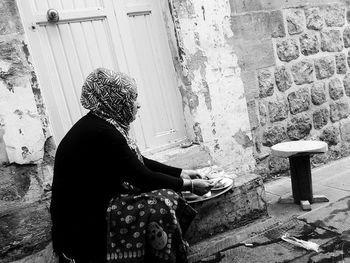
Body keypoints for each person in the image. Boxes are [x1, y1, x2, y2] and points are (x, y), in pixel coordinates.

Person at [50, 68, 214, 263]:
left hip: (97, 201)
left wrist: (182, 172)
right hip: (83, 219)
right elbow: (142, 177)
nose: (138, 105)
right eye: (133, 98)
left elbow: (138, 162)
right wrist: (190, 185)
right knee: (161, 203)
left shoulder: (103, 123)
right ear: (117, 101)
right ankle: (161, 258)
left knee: (167, 193)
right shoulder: (102, 133)